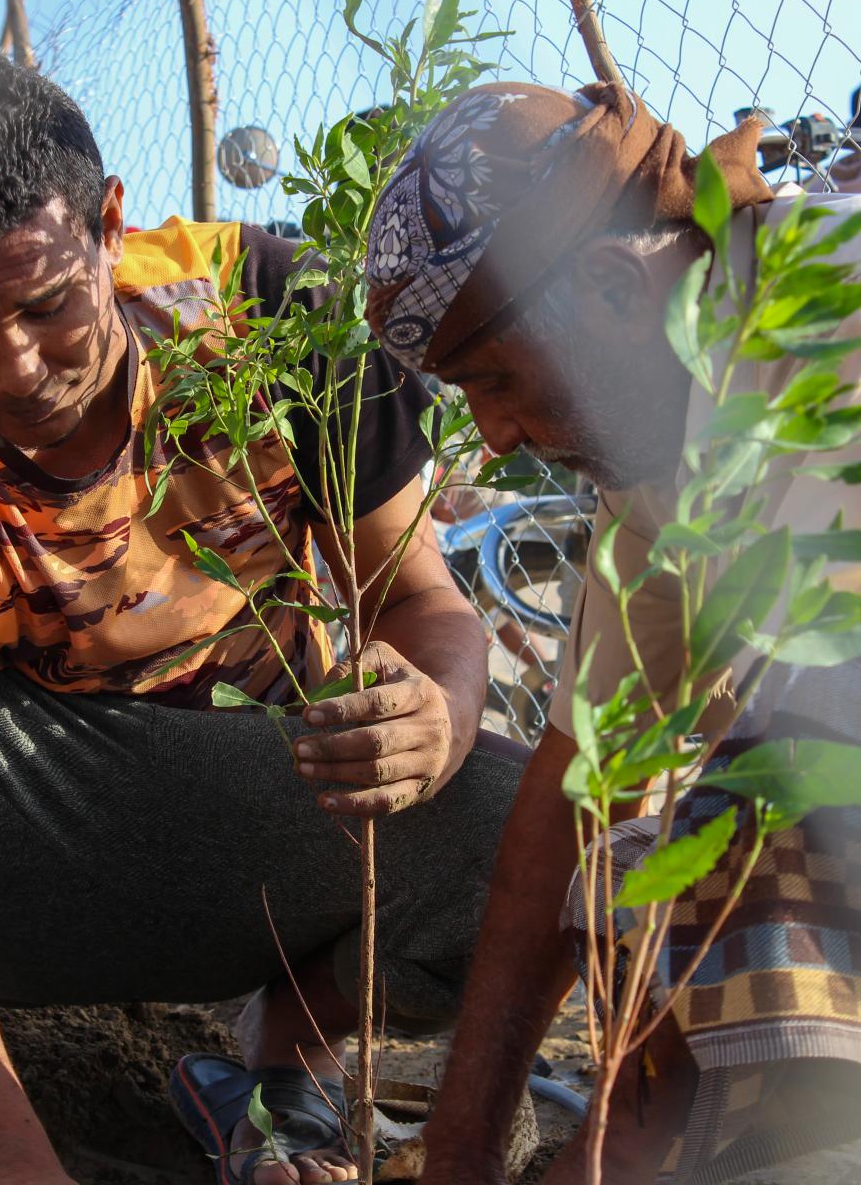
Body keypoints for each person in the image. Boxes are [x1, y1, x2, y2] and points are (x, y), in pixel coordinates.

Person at [0, 54, 523, 1185]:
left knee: (524, 820)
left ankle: (277, 1067)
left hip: (263, 802)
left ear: (110, 226)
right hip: (16, 847)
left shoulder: (271, 309)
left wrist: (441, 712)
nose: (17, 367)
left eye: (48, 304)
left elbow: (420, 600)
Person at [366, 81, 861, 1184]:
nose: (492, 439)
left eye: (494, 382)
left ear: (610, 290)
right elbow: (578, 780)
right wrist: (461, 1148)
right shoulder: (663, 456)